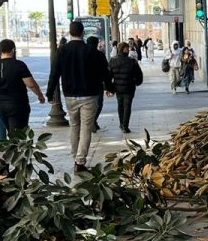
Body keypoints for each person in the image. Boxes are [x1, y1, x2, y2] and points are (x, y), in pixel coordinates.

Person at [48, 22, 113, 173]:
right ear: (83, 33)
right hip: (89, 94)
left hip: (70, 94)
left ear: (70, 33)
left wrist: (50, 92)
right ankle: (80, 161)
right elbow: (105, 72)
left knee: (74, 125)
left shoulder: (62, 51)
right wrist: (109, 87)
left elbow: (54, 73)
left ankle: (75, 157)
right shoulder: (93, 52)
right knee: (86, 128)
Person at [0, 39, 45, 133]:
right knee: (17, 135)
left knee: (11, 132)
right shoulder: (19, 65)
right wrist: (39, 95)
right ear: (13, 50)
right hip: (17, 104)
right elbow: (31, 84)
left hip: (1, 105)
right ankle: (12, 148)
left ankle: (12, 147)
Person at [109, 41, 144, 133]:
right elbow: (139, 75)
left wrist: (109, 88)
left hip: (118, 87)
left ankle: (121, 123)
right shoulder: (131, 61)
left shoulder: (113, 61)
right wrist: (136, 82)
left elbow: (108, 75)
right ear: (124, 49)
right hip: (129, 87)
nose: (129, 50)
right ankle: (125, 125)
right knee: (127, 106)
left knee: (120, 105)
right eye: (127, 48)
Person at [86, 36, 106, 131]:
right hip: (98, 83)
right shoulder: (100, 55)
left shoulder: (82, 54)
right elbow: (105, 71)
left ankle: (91, 121)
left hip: (85, 84)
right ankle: (93, 121)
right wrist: (108, 86)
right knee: (98, 103)